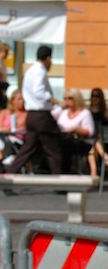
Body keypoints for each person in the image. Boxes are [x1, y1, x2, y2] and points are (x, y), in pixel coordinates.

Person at [7, 45, 62, 174]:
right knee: (54, 149)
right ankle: (59, 182)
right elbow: (39, 92)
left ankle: (8, 176)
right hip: (41, 116)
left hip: (31, 116)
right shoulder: (40, 71)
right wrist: (54, 100)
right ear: (48, 58)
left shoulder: (30, 71)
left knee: (27, 150)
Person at [57, 88, 97, 175]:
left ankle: (65, 173)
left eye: (70, 98)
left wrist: (76, 129)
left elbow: (90, 132)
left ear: (76, 98)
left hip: (82, 141)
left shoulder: (85, 113)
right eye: (65, 98)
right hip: (65, 139)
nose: (67, 101)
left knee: (65, 147)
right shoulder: (63, 113)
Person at [88, 88, 108, 171]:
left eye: (97, 96)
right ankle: (105, 157)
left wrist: (107, 112)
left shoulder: (104, 111)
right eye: (93, 96)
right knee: (93, 144)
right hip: (90, 138)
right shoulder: (87, 111)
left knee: (94, 144)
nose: (94, 98)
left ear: (101, 98)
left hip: (104, 140)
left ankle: (94, 172)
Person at [0, 89, 26, 166]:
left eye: (23, 99)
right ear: (13, 100)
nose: (22, 101)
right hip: (3, 138)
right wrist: (12, 127)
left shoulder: (26, 114)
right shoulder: (4, 112)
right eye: (19, 99)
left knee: (8, 141)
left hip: (18, 140)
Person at [0, 42, 10, 110]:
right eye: (2, 51)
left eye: (5, 52)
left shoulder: (3, 64)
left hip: (3, 91)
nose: (4, 54)